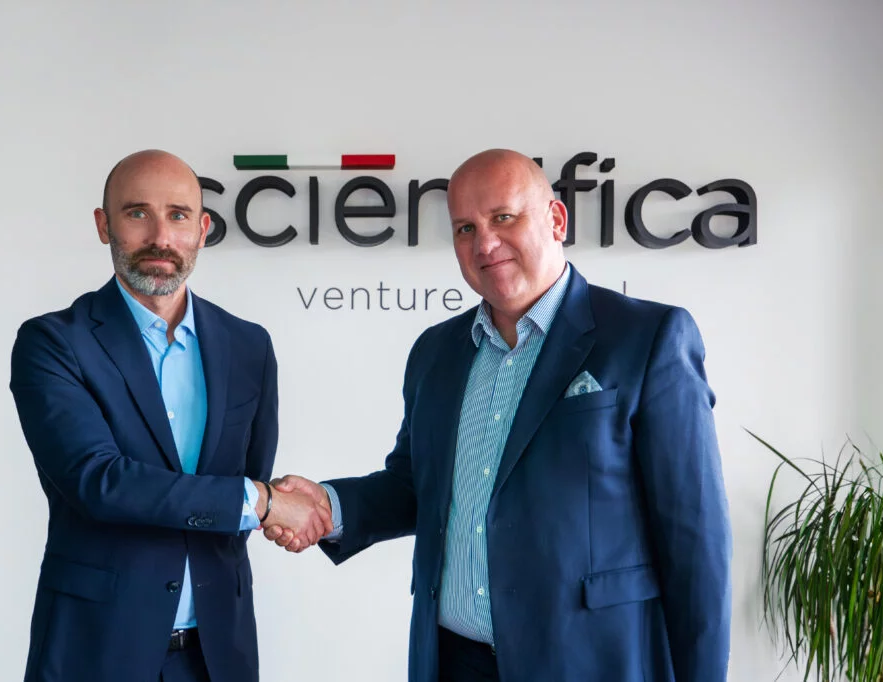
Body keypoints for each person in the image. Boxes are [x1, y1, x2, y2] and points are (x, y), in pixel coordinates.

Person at [265, 149, 732, 682]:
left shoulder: (648, 338)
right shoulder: (436, 352)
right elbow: (416, 486)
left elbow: (695, 543)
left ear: (557, 220)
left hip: (589, 664)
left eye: (503, 218)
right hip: (452, 663)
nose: (484, 244)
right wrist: (329, 505)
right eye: (465, 228)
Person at [9, 149, 331, 682]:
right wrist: (264, 502)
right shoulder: (54, 343)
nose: (161, 236)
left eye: (178, 215)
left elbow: (246, 481)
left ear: (202, 229)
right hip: (96, 649)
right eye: (137, 213)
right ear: (104, 225)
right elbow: (99, 481)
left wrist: (268, 503)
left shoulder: (248, 346)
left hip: (218, 654)